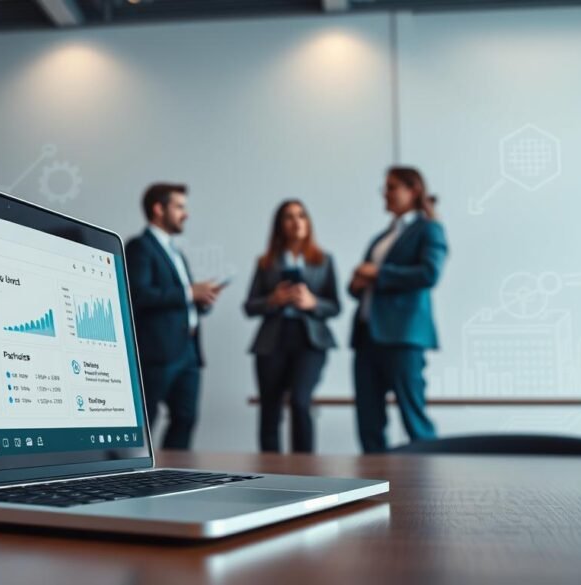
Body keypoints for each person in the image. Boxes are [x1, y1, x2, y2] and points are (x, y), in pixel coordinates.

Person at [348, 167, 448, 453]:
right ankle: (375, 488)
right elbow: (363, 282)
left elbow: (430, 273)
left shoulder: (429, 228)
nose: (386, 194)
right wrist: (357, 282)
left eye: (392, 187)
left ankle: (427, 487)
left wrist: (378, 273)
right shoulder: (381, 237)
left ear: (413, 190)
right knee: (368, 422)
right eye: (385, 188)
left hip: (403, 336)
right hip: (367, 337)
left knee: (413, 417)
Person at [125, 183, 224, 450]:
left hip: (189, 351)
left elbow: (182, 297)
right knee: (147, 421)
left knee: (186, 418)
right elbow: (139, 295)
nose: (186, 214)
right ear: (159, 209)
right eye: (179, 207)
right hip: (158, 353)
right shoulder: (139, 247)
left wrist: (202, 298)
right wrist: (190, 292)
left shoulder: (175, 251)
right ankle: (134, 477)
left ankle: (175, 477)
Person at [244, 200, 340, 453]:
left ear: (308, 222)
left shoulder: (324, 260)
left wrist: (313, 303)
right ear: (280, 225)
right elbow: (250, 306)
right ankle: (269, 473)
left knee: (300, 401)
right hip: (272, 341)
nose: (296, 222)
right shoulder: (266, 262)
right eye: (289, 217)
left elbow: (335, 306)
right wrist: (272, 300)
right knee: (270, 409)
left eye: (301, 216)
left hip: (310, 341)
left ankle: (305, 471)